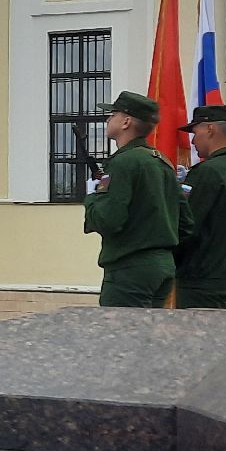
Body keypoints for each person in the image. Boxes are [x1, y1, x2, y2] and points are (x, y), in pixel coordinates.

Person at [83, 91, 182, 308]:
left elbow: (109, 219)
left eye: (113, 114)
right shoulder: (162, 162)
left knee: (120, 338)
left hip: (130, 269)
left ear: (126, 121)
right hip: (162, 265)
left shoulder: (123, 163)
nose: (108, 119)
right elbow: (185, 221)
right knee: (147, 339)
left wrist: (92, 199)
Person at [175, 103, 226, 309]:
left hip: (202, 277)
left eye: (195, 131)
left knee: (198, 339)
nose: (192, 139)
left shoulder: (206, 172)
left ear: (210, 129)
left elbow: (186, 224)